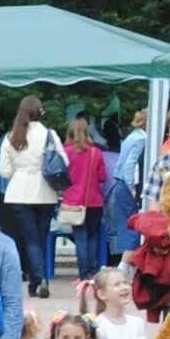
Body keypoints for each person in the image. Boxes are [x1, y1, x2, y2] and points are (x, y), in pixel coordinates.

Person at [0, 96, 66, 297]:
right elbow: (63, 161)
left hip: (19, 192)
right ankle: (39, 279)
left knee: (30, 238)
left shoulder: (11, 137)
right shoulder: (49, 134)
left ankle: (38, 279)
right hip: (45, 191)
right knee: (40, 236)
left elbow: (4, 171)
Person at [61, 114, 112, 282]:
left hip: (73, 201)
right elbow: (102, 176)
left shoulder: (65, 152)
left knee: (80, 236)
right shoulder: (95, 152)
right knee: (93, 236)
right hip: (94, 200)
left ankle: (83, 273)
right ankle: (92, 270)